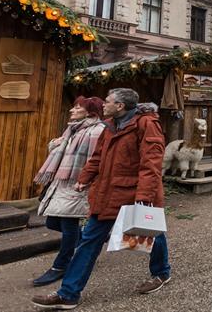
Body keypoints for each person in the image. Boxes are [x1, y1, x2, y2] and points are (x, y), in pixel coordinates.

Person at [32, 88, 170, 309]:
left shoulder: (146, 124)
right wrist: (85, 177)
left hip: (133, 191)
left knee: (150, 232)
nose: (103, 104)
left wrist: (144, 196)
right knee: (89, 241)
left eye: (108, 102)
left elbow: (151, 163)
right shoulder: (110, 126)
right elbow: (98, 156)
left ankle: (161, 272)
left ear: (120, 106)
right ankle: (68, 294)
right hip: (106, 193)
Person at [32, 96, 106, 287]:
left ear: (90, 112)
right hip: (61, 182)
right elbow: (63, 154)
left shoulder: (96, 132)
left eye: (77, 107)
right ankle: (89, 241)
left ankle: (61, 265)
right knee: (52, 222)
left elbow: (94, 161)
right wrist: (54, 145)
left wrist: (86, 182)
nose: (72, 110)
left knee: (68, 224)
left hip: (78, 184)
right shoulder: (74, 129)